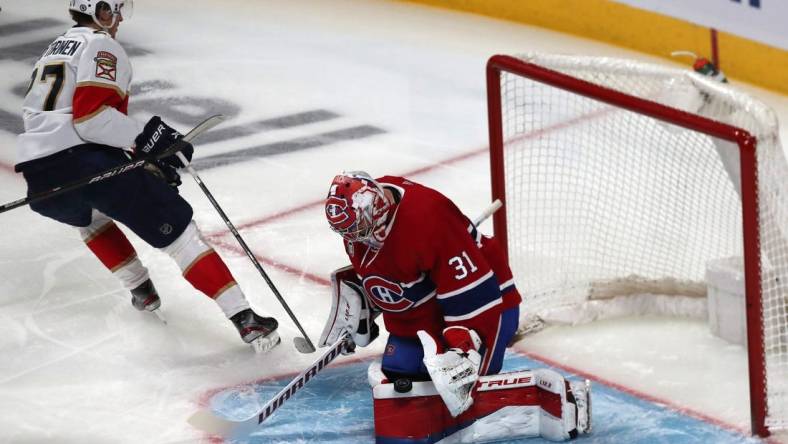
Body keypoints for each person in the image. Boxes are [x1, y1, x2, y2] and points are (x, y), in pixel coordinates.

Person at [14, 0, 279, 352]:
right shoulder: (100, 44)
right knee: (182, 236)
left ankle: (142, 292)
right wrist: (145, 144)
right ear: (98, 10)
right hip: (86, 162)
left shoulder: (54, 49)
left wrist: (135, 151)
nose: (120, 18)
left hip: (41, 180)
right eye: (115, 10)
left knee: (90, 218)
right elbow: (89, 119)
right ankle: (246, 320)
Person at [319, 171, 591, 442]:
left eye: (359, 230)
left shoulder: (428, 217)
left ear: (378, 209)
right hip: (429, 309)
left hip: (486, 303)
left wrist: (461, 347)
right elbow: (395, 272)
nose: (354, 238)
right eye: (348, 232)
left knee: (457, 386)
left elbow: (478, 295)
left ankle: (552, 399)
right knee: (400, 374)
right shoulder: (358, 220)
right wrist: (366, 300)